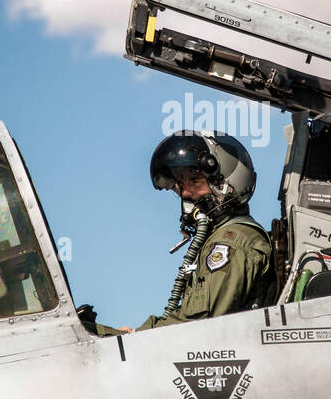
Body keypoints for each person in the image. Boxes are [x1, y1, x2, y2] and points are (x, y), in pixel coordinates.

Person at [93, 131, 274, 335]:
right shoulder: (219, 237)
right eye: (180, 184)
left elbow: (197, 327)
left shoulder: (232, 242)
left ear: (227, 184)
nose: (186, 193)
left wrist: (134, 336)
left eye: (195, 181)